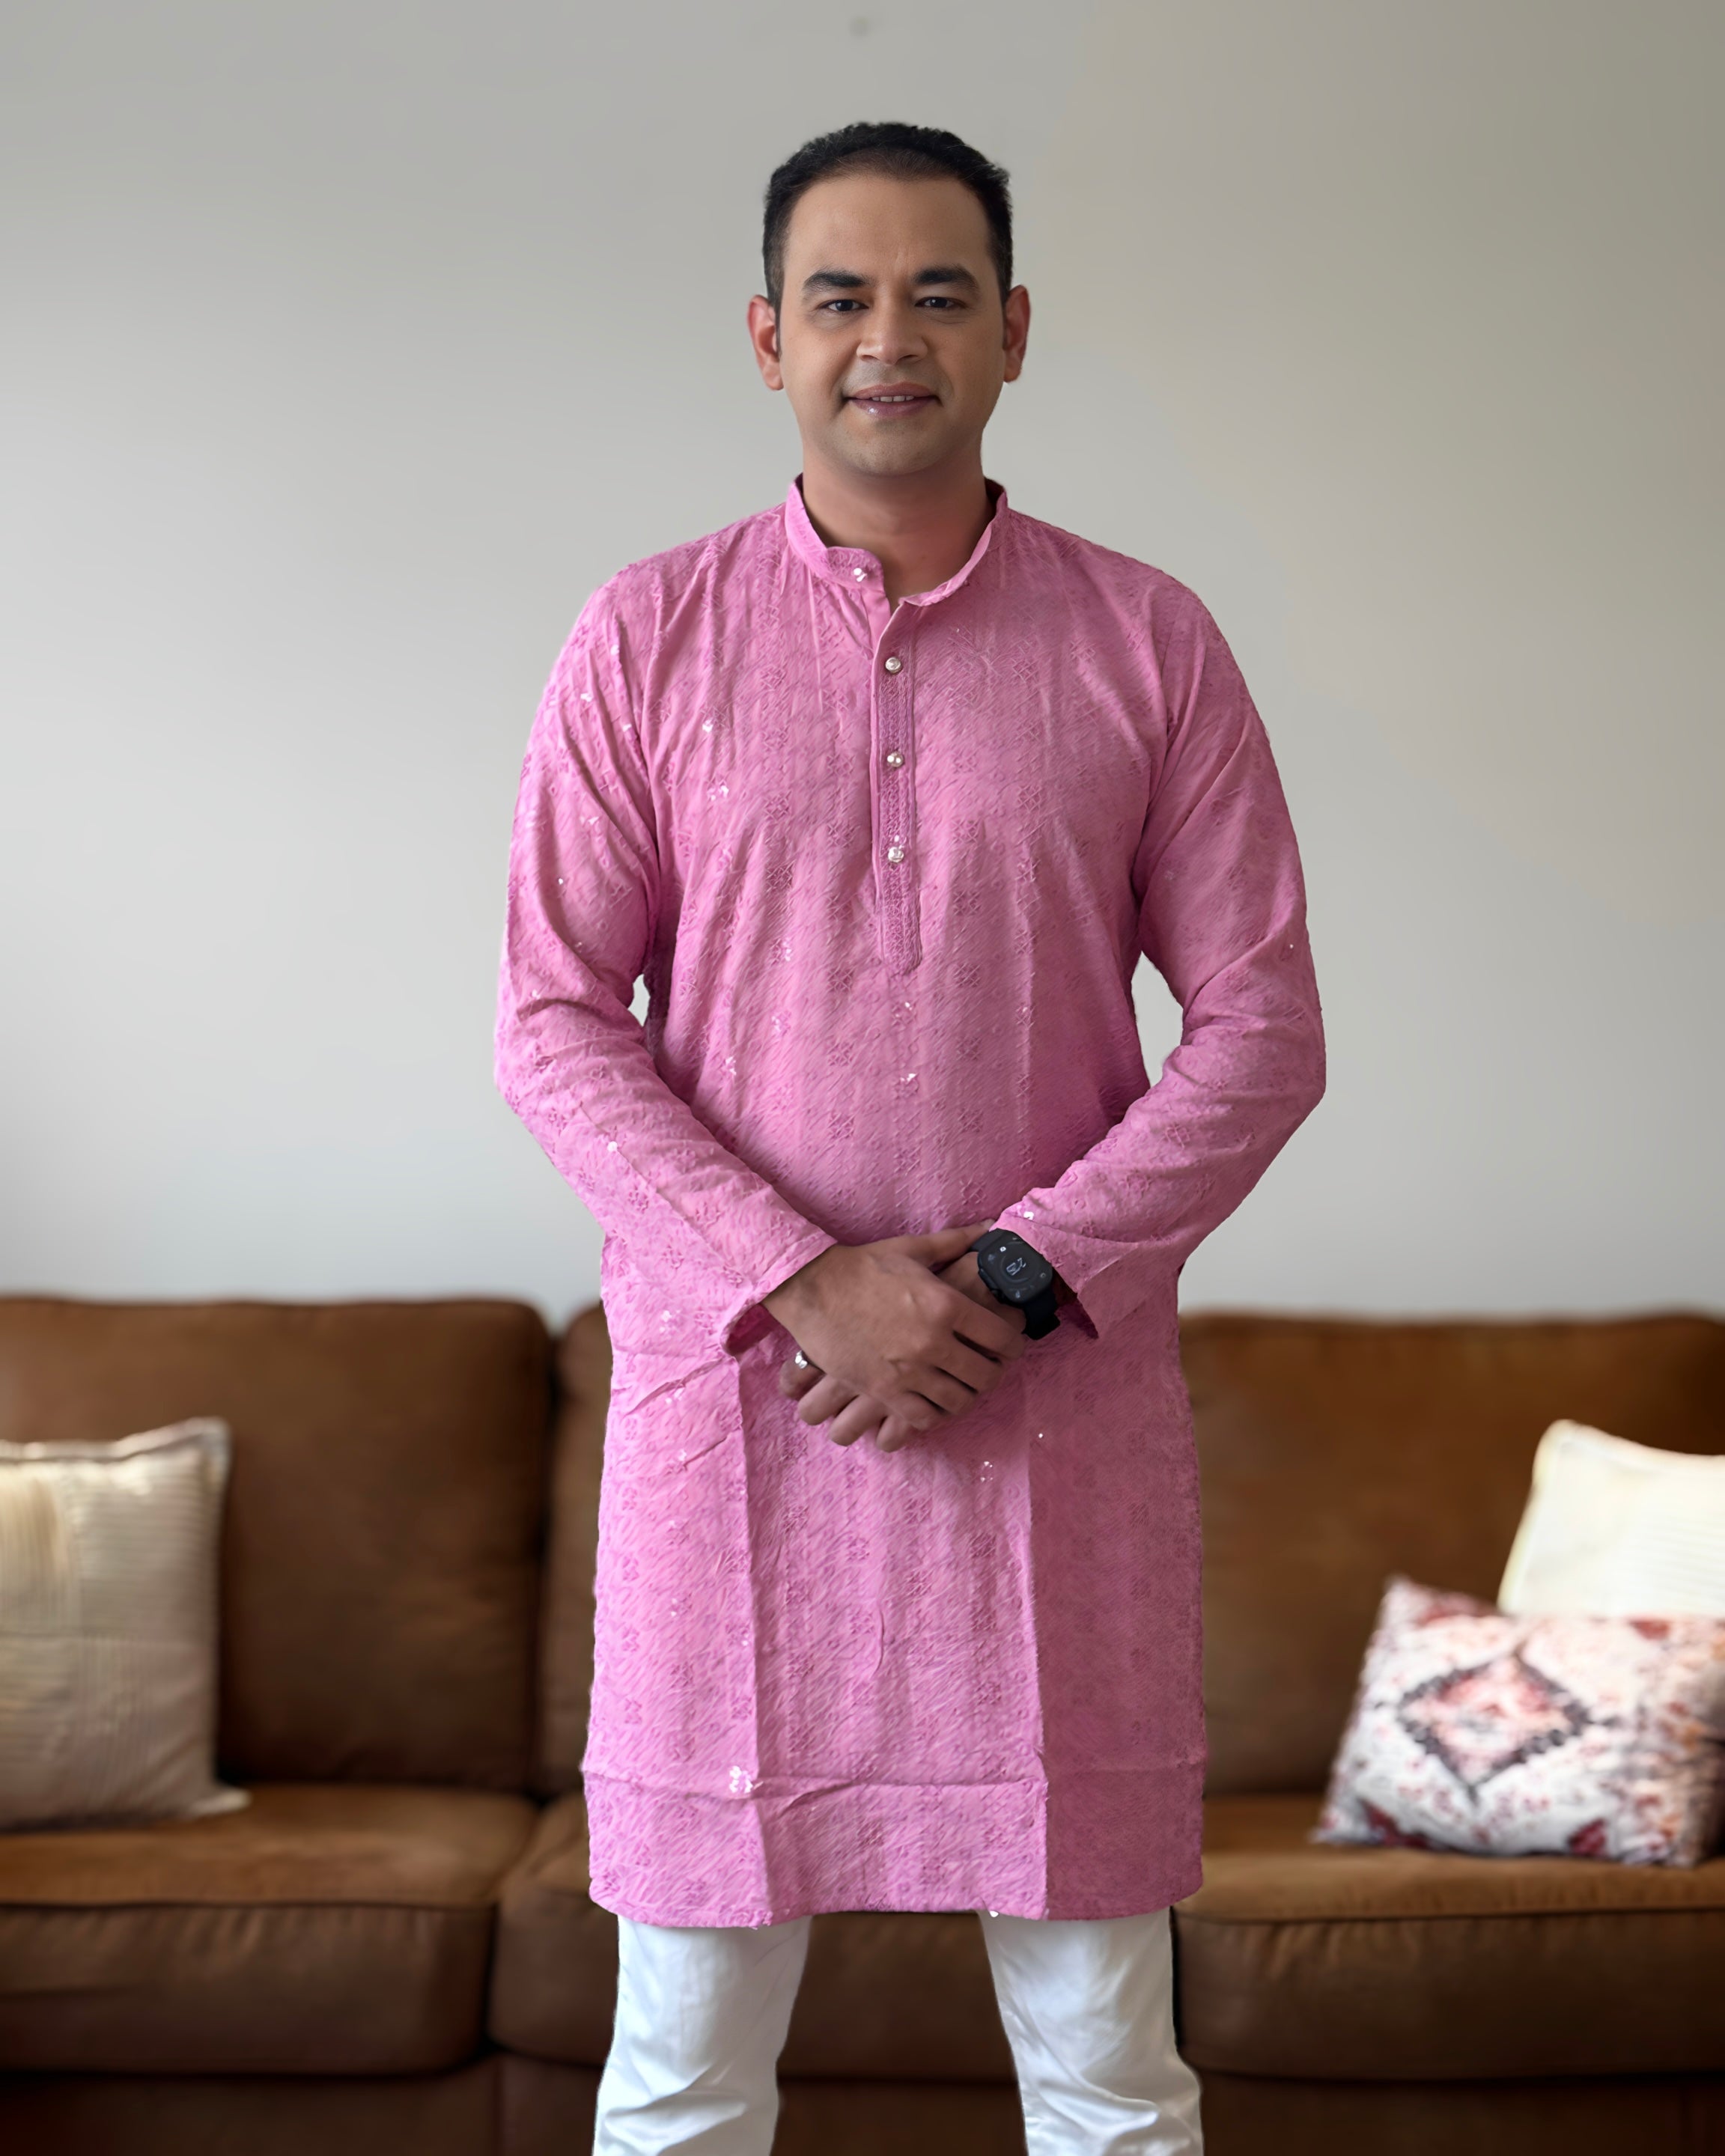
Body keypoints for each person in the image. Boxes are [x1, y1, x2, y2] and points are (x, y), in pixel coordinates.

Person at [495, 119, 1324, 2156]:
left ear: (1016, 332)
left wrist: (1020, 1277)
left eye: (940, 293)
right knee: (684, 2074)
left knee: (1110, 2075)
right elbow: (548, 1021)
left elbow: (1265, 1031)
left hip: (1048, 1438)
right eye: (845, 298)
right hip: (742, 1434)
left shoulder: (1149, 643)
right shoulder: (647, 639)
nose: (893, 339)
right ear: (769, 338)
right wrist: (806, 1279)